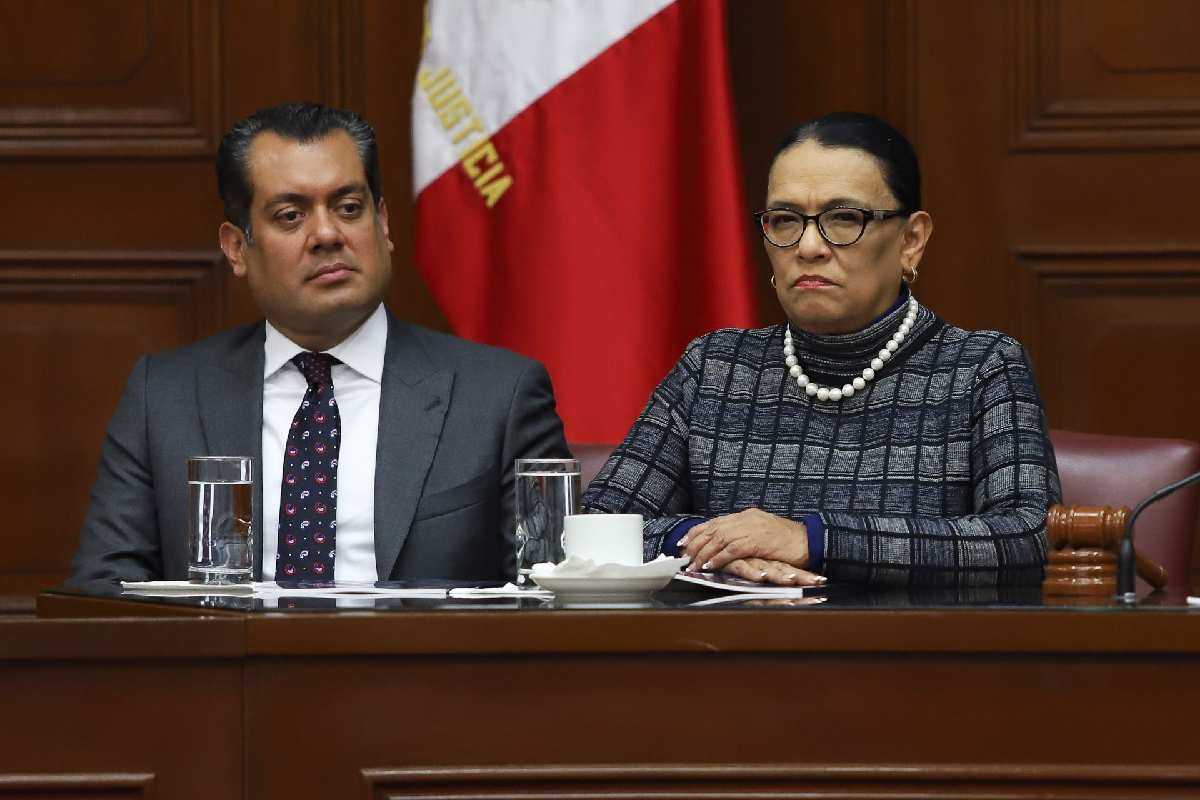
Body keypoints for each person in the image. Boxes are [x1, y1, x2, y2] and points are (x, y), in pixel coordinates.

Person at [70, 102, 568, 586]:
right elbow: (107, 592)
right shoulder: (164, 398)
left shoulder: (498, 397)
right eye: (291, 216)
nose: (327, 234)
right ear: (237, 248)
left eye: (349, 208)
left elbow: (551, 597)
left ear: (383, 224)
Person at [582, 111, 1060, 588]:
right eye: (785, 220)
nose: (809, 247)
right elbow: (597, 526)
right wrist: (714, 548)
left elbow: (1027, 536)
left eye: (844, 218)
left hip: (904, 637)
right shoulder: (716, 367)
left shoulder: (980, 368)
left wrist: (813, 540)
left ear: (911, 241)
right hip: (736, 637)